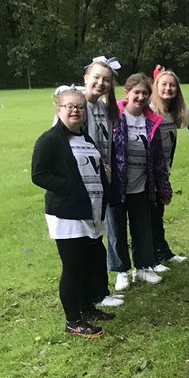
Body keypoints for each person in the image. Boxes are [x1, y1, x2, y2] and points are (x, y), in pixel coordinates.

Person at [32, 87, 112, 338]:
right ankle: (72, 320)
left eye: (79, 107)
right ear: (59, 109)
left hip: (91, 211)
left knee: (88, 263)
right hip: (67, 214)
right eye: (69, 106)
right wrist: (71, 188)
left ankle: (87, 308)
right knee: (73, 266)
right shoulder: (50, 140)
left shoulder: (85, 139)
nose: (75, 110)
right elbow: (39, 175)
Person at [109, 73, 172, 289]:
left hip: (142, 184)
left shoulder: (152, 120)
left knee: (142, 227)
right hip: (117, 186)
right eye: (137, 92)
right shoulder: (114, 116)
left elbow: (158, 158)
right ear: (127, 93)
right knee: (116, 230)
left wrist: (163, 187)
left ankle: (143, 268)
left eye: (145, 93)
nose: (141, 96)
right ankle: (121, 271)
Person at [81, 58, 123, 309]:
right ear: (86, 77)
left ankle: (100, 290)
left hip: (101, 182)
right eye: (96, 77)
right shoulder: (77, 105)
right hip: (85, 184)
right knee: (89, 239)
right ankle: (93, 293)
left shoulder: (103, 108)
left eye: (106, 79)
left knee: (98, 236)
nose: (101, 82)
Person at [149, 69, 188, 270]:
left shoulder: (172, 115)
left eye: (172, 85)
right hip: (148, 176)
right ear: (156, 87)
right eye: (163, 84)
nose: (168, 88)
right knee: (150, 215)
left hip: (163, 173)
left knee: (158, 213)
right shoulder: (150, 112)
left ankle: (162, 251)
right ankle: (152, 257)